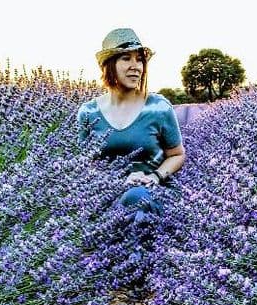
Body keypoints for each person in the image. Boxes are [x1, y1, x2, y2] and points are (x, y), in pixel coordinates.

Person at [76, 28, 185, 222]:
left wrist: (155, 177)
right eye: (126, 58)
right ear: (108, 66)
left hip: (152, 193)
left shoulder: (158, 107)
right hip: (106, 195)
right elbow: (84, 166)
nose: (136, 66)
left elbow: (177, 154)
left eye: (139, 59)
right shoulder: (89, 112)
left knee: (136, 198)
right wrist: (115, 182)